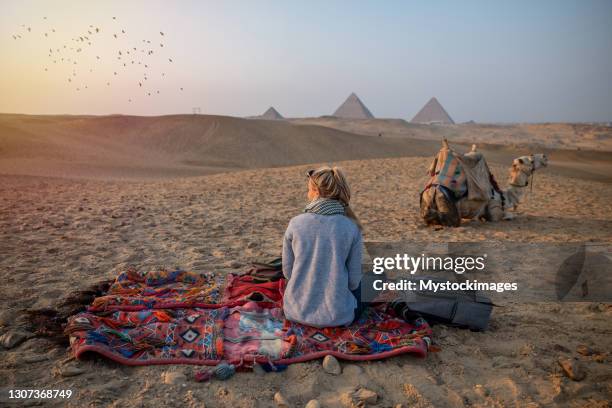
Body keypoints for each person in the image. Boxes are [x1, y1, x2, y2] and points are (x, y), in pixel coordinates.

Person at [282, 166, 364, 328]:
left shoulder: (296, 223)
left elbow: (288, 273)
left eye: (308, 190)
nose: (307, 194)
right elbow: (354, 283)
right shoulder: (350, 227)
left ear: (316, 192)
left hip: (295, 312)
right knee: (378, 275)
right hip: (338, 317)